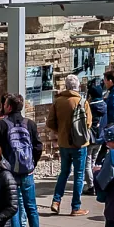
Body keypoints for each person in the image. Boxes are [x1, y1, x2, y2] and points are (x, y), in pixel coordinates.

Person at [0, 94, 43, 227]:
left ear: (8, 107)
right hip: (27, 172)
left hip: (10, 173)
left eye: (4, 104)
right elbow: (38, 147)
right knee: (31, 208)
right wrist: (33, 164)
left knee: (15, 210)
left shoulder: (1, 124)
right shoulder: (30, 124)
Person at [46, 75, 91, 216]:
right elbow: (88, 123)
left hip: (64, 143)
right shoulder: (83, 102)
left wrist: (60, 131)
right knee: (78, 175)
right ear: (77, 87)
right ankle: (75, 207)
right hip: (80, 144)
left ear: (66, 86)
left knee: (64, 172)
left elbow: (50, 122)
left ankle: (56, 201)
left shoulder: (58, 101)